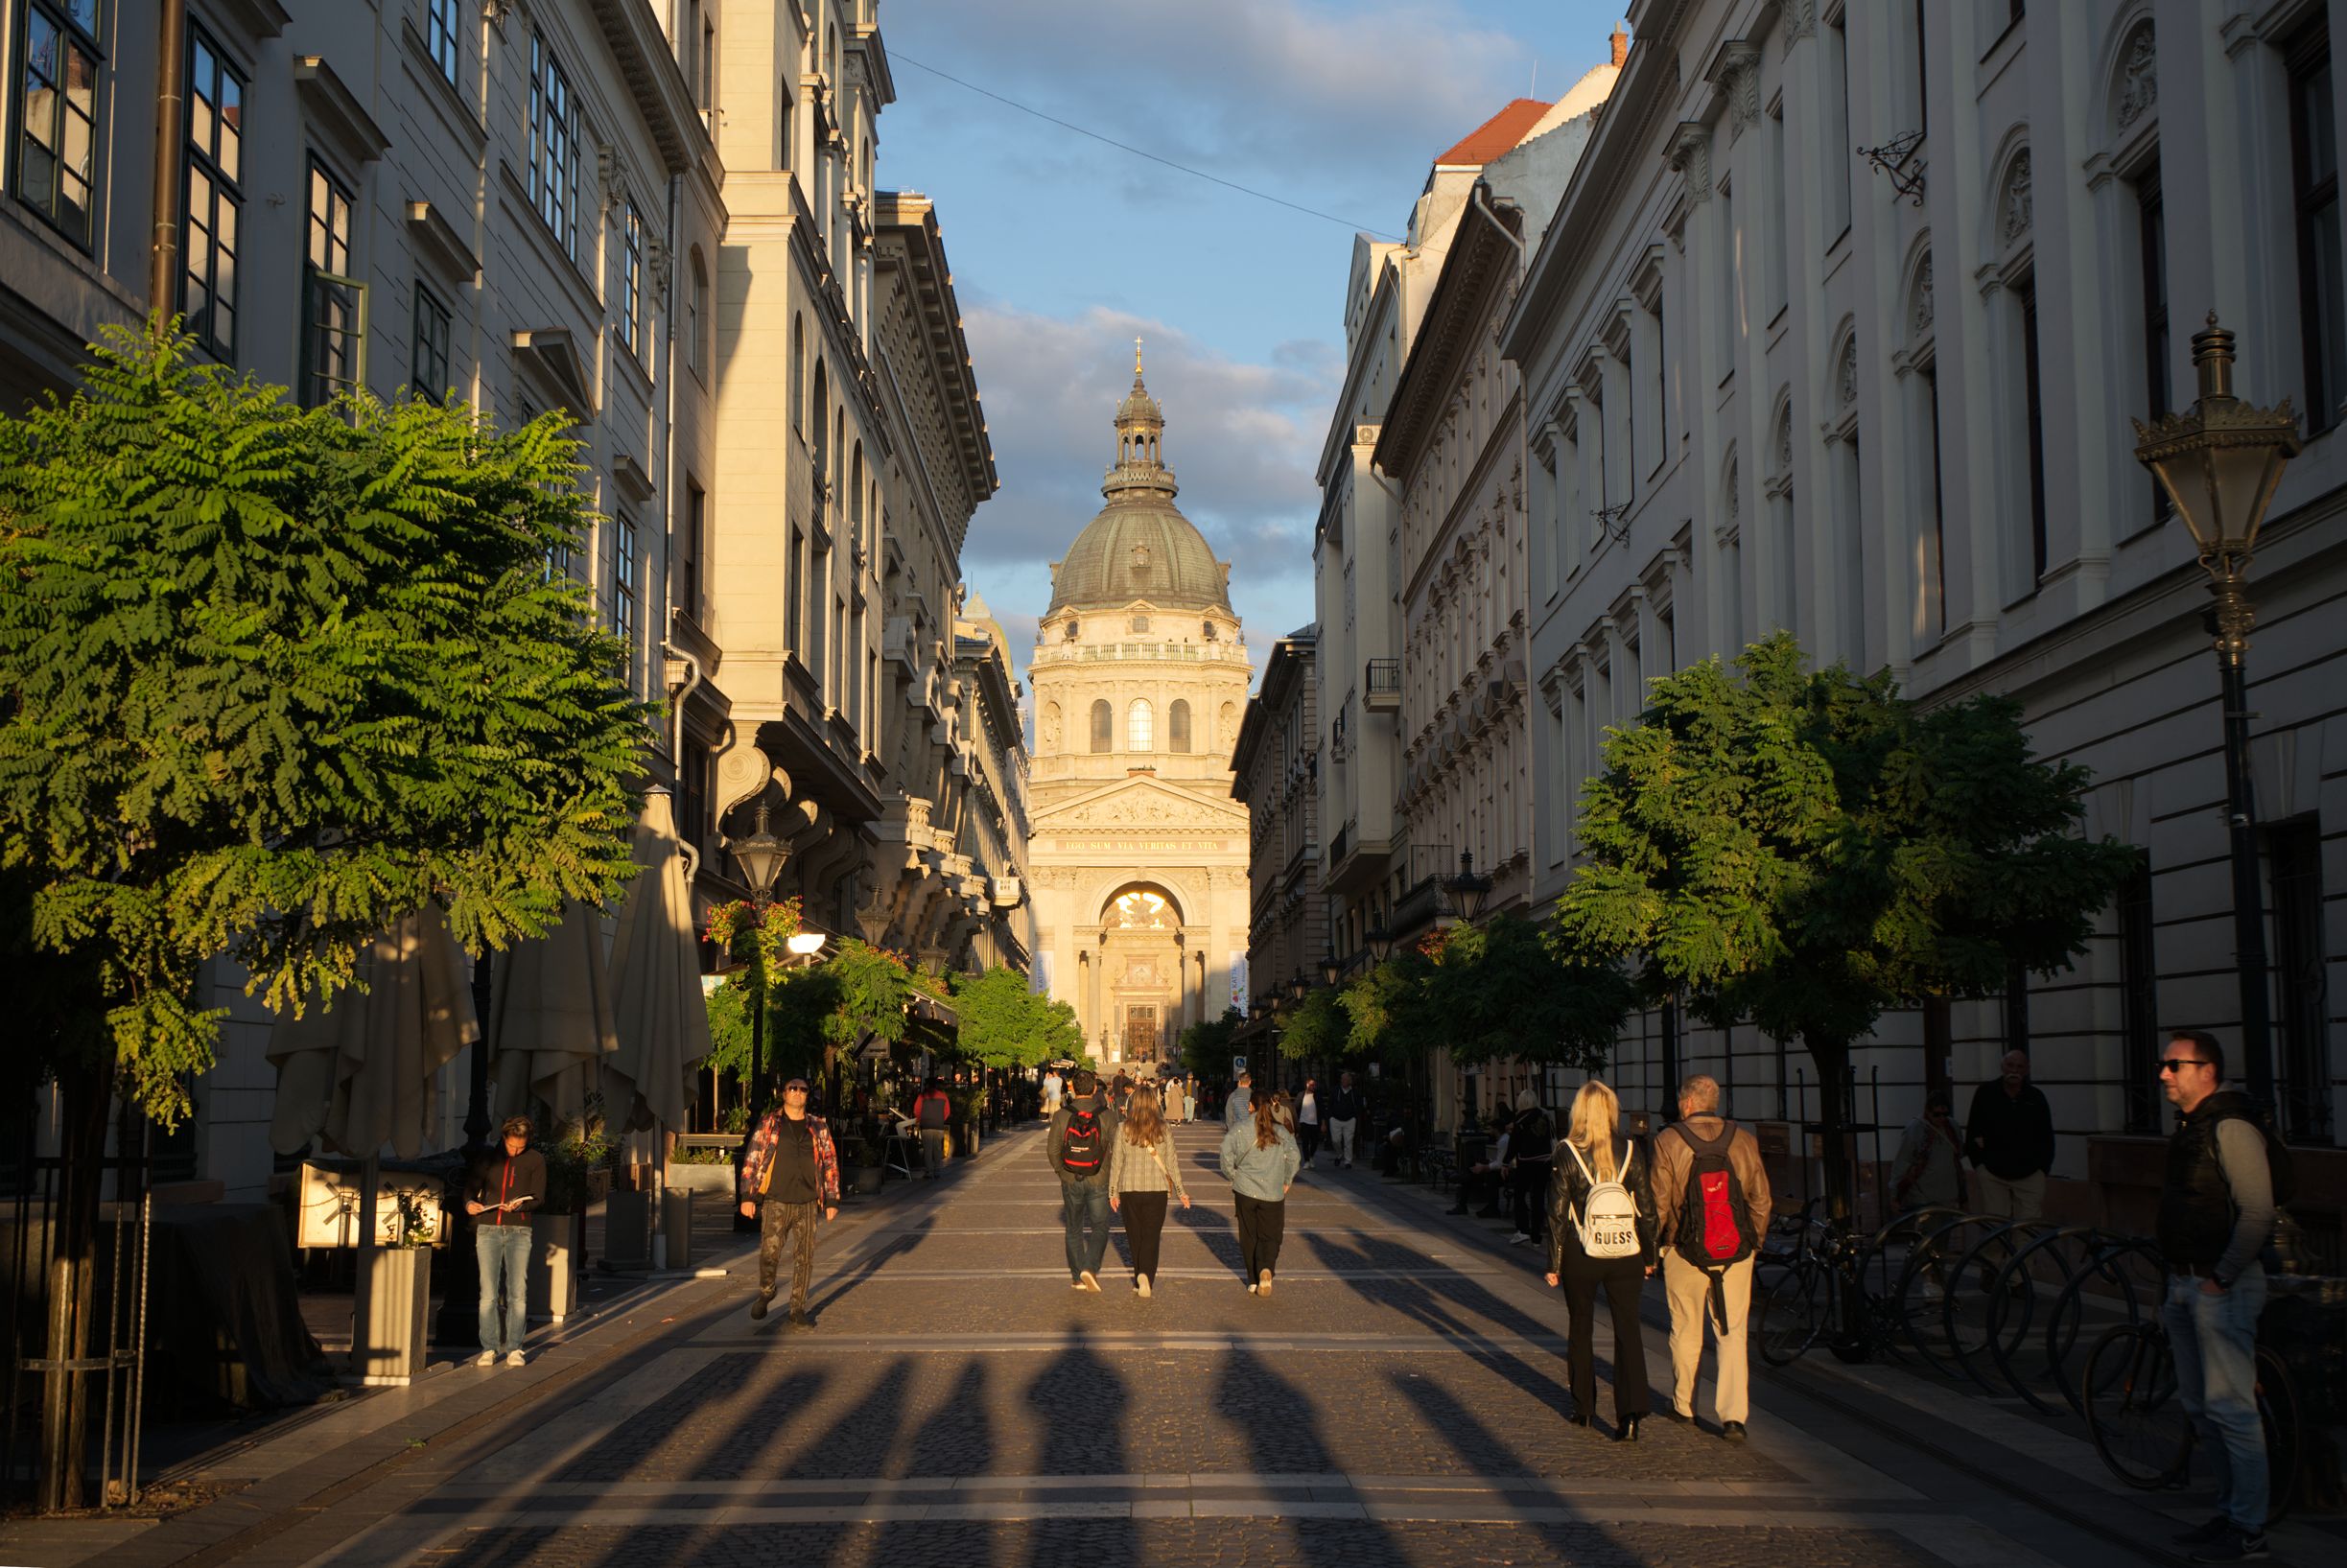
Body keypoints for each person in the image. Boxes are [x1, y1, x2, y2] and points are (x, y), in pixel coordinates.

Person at [2158, 1029, 2282, 1565]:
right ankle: (2231, 1509)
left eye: (2174, 1065)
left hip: (2219, 1286)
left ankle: (2250, 1527)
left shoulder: (2230, 1127)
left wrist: (2222, 1277)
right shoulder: (2192, 1127)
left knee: (2233, 1410)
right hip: (2186, 1283)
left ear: (2206, 1071)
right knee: (2201, 1408)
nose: (2164, 1074)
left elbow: (2257, 1210)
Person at [1651, 1075, 1772, 1439]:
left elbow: (1659, 1199)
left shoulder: (1668, 1139)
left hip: (1683, 1250)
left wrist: (1657, 1244)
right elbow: (1761, 1199)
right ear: (1714, 1103)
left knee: (1686, 1328)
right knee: (1732, 1332)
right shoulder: (1744, 1140)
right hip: (1735, 1252)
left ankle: (1683, 1405)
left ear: (1686, 1103)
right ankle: (1733, 1417)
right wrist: (1752, 1242)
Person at [1545, 1079, 1656, 1440]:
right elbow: (1647, 1208)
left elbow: (1556, 1213)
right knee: (1629, 1330)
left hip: (1582, 1252)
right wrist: (1650, 1254)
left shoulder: (1566, 1151)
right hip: (1626, 1252)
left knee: (1581, 1328)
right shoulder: (1630, 1149)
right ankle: (1631, 1414)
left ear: (1579, 1111)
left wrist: (1554, 1263)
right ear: (1611, 1110)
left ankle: (1584, 1408)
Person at [738, 1078, 841, 1328]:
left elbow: (829, 1162)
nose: (797, 1093)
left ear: (807, 1096)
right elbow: (753, 1157)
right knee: (769, 1253)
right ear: (783, 1094)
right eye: (792, 1089)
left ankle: (797, 1308)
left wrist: (831, 1199)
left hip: (807, 1200)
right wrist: (748, 1196)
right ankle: (767, 1291)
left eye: (802, 1089)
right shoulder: (769, 1123)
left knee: (804, 1257)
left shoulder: (817, 1127)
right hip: (776, 1199)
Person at [464, 1115, 547, 1367]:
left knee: (517, 1291)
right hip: (488, 1227)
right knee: (488, 1292)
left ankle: (514, 1348)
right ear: (504, 1138)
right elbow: (470, 1187)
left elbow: (539, 1197)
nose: (515, 1151)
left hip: (519, 1229)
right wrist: (469, 1204)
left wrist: (524, 1203)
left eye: (520, 1147)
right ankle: (489, 1348)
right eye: (512, 1146)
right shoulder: (488, 1157)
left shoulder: (535, 1160)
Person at [1110, 1080, 1191, 1297]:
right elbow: (1172, 1162)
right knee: (1151, 1236)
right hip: (1157, 1190)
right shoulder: (1163, 1129)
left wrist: (1113, 1192)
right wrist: (1182, 1191)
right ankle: (1146, 1276)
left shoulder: (1122, 1128)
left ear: (1134, 1103)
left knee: (1134, 1235)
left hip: (1129, 1188)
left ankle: (1140, 1277)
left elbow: (1116, 1161)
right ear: (1155, 1104)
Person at [1045, 1068, 1120, 1292]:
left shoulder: (1061, 1115)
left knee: (1073, 1228)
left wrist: (1062, 1171)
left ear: (1072, 1088)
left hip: (1070, 1177)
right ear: (1095, 1088)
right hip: (1098, 1178)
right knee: (1100, 1225)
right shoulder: (1106, 1115)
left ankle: (1078, 1277)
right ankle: (1090, 1266)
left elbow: (1052, 1150)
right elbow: (1117, 1149)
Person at [1220, 1092, 1301, 1294]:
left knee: (1249, 1235)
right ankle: (1266, 1268)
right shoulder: (1280, 1131)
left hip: (1245, 1189)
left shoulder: (1240, 1129)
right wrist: (1287, 1180)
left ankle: (1253, 1279)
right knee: (1271, 1235)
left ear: (1250, 1106)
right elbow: (1294, 1157)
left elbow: (1225, 1153)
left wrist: (1233, 1175)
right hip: (1273, 1191)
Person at [1962, 1050, 2054, 1222]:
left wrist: (2043, 1169)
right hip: (1993, 1173)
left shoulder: (2036, 1097)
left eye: (2020, 1067)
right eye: (2010, 1065)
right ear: (2002, 1066)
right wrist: (1980, 1166)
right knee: (1996, 1230)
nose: (2015, 1070)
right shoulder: (1986, 1093)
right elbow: (1973, 1131)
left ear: (2027, 1070)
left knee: (2028, 1229)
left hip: (2030, 1174)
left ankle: (2022, 1250)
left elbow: (2046, 1136)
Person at [1891, 1088, 1964, 1214]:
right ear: (1928, 1111)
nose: (1941, 1118)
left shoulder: (1953, 1127)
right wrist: (1895, 1193)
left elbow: (1958, 1157)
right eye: (1936, 1114)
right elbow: (1902, 1161)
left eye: (1945, 1114)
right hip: (1923, 1198)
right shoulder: (1914, 1129)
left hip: (1948, 1197)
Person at [1505, 1088, 1555, 1247]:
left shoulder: (1520, 1120)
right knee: (1538, 1197)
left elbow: (1513, 1145)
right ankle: (1536, 1235)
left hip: (1527, 1162)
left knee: (1520, 1195)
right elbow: (1552, 1136)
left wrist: (1505, 1162)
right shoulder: (1545, 1115)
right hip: (1546, 1160)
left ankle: (1523, 1230)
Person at [911, 1075, 952, 1180]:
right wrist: (940, 1119)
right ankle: (937, 1170)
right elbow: (947, 1111)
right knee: (937, 1148)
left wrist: (921, 1119)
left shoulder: (922, 1096)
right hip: (938, 1125)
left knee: (927, 1149)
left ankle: (929, 1171)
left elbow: (916, 1110)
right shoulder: (943, 1096)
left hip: (926, 1126)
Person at [1326, 1072, 1361, 1167]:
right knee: (1335, 1140)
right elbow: (1330, 1104)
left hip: (1350, 1119)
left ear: (1350, 1080)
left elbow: (1359, 1105)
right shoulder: (1335, 1090)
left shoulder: (1354, 1092)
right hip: (1336, 1119)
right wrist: (1330, 1116)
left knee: (1348, 1140)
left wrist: (1355, 1116)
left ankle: (1348, 1161)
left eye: (1345, 1079)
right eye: (1342, 1079)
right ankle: (1339, 1153)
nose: (1343, 1081)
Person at [1296, 1077, 1324, 1166]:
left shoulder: (1317, 1095)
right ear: (1307, 1085)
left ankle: (1311, 1156)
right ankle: (1307, 1160)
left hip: (1315, 1122)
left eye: (1314, 1085)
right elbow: (1296, 1107)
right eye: (1312, 1085)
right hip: (1304, 1122)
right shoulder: (1301, 1095)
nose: (1313, 1086)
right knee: (1305, 1142)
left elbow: (1322, 1110)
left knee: (1315, 1142)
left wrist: (1323, 1122)